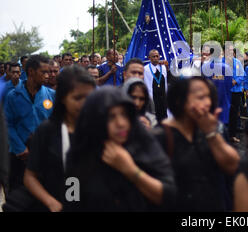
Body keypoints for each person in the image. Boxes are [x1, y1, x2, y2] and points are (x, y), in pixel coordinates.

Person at [64, 86, 176, 211]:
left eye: (124, 115)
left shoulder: (144, 145)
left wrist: (130, 170)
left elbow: (170, 196)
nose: (121, 123)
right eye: (111, 117)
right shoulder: (78, 156)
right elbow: (71, 201)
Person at [153, 76, 240, 211]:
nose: (207, 103)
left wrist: (211, 134)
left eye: (208, 97)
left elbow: (233, 166)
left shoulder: (214, 128)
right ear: (179, 101)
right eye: (200, 98)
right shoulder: (160, 136)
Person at [22, 66, 96, 211]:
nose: (84, 103)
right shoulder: (47, 131)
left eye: (89, 97)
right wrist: (50, 202)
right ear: (62, 98)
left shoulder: (100, 128)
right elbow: (30, 177)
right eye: (77, 98)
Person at [3, 55, 55, 192]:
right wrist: (20, 148)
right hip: (19, 155)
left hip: (44, 155)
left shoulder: (52, 95)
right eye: (43, 72)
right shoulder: (13, 96)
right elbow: (8, 125)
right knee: (17, 195)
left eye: (49, 72)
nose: (48, 76)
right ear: (31, 72)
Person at [223, 44, 245, 144]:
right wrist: (226, 81)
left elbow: (242, 75)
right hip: (224, 92)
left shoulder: (237, 63)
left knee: (234, 114)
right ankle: (222, 135)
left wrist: (235, 81)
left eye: (232, 51)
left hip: (235, 91)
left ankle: (232, 135)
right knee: (223, 113)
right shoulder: (219, 63)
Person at [144, 49, 171, 123]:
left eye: (157, 56)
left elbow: (168, 79)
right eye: (153, 56)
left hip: (162, 97)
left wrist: (167, 67)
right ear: (149, 58)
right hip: (153, 97)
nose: (156, 58)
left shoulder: (163, 67)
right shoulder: (145, 69)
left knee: (164, 117)